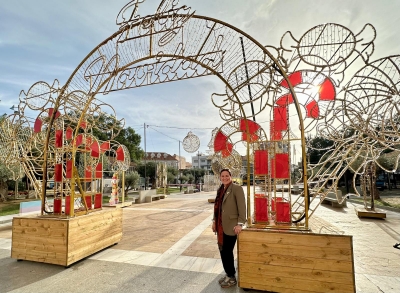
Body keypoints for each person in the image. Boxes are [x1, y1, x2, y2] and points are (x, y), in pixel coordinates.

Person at [212, 169, 246, 288]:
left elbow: (242, 208)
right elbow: (217, 207)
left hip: (231, 226)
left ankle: (231, 277)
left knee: (227, 252)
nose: (225, 178)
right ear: (220, 177)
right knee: (223, 251)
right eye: (222, 176)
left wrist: (240, 224)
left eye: (227, 176)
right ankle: (228, 274)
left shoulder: (237, 189)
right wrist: (213, 221)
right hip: (220, 226)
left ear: (231, 176)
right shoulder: (220, 190)